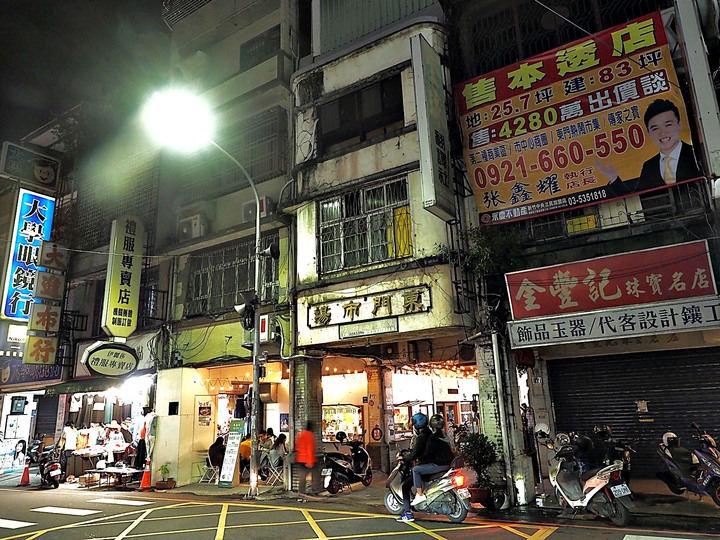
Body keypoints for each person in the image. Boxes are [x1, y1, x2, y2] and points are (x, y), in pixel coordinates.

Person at [598, 98, 701, 196]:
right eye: (655, 128)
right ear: (649, 133)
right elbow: (637, 196)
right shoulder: (649, 166)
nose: (662, 132)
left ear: (679, 124)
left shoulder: (695, 153)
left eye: (668, 125)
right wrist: (614, 178)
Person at [397, 412, 433, 523]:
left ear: (417, 424)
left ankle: (407, 513)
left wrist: (404, 456)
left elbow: (414, 454)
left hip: (426, 465)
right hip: (432, 463)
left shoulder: (422, 437)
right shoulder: (430, 433)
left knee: (405, 486)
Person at [295, 421, 317, 500]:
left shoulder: (300, 434)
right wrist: (310, 461)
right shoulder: (310, 435)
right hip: (307, 459)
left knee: (302, 479)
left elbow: (297, 447)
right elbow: (310, 449)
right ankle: (311, 492)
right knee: (315, 475)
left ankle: (301, 495)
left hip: (300, 459)